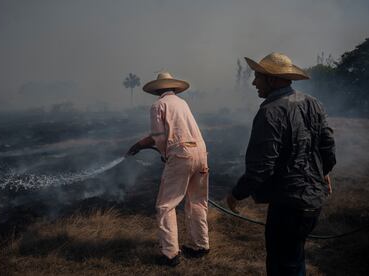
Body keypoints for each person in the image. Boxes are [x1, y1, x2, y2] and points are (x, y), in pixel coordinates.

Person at [227, 53, 336, 275]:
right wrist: (322, 173)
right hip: (312, 201)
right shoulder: (313, 103)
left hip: (288, 205)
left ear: (273, 79)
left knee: (282, 265)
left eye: (258, 77)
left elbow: (262, 166)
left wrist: (237, 193)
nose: (254, 82)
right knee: (295, 258)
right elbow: (327, 146)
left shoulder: (270, 112)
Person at [127, 72, 210, 267]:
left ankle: (170, 254)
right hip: (201, 151)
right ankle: (200, 245)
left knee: (165, 205)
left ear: (157, 89)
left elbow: (159, 138)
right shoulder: (182, 103)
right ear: (173, 88)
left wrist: (140, 146)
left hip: (181, 155)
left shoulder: (158, 105)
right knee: (197, 200)